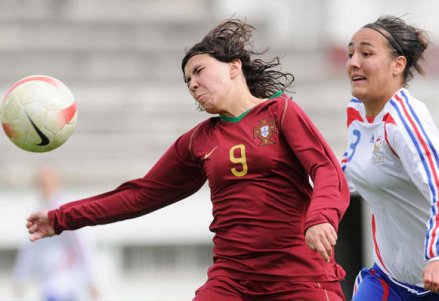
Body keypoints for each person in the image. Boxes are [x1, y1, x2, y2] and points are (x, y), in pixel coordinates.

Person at [26, 19, 350, 301]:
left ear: (234, 67)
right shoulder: (197, 141)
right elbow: (140, 194)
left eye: (199, 71)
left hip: (298, 275)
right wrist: (62, 218)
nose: (193, 84)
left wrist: (321, 217)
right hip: (233, 281)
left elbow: (326, 170)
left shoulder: (280, 113)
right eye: (187, 81)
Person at [342, 15, 439, 300]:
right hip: (390, 280)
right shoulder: (356, 112)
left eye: (366, 53)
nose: (353, 62)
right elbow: (347, 173)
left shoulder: (405, 120)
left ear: (398, 64)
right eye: (351, 53)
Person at [12, 165, 99, 301]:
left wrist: (91, 279)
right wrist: (20, 277)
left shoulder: (66, 210)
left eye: (48, 182)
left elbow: (81, 245)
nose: (45, 186)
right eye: (41, 183)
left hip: (67, 280)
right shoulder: (36, 209)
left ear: (57, 182)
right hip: (46, 280)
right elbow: (28, 247)